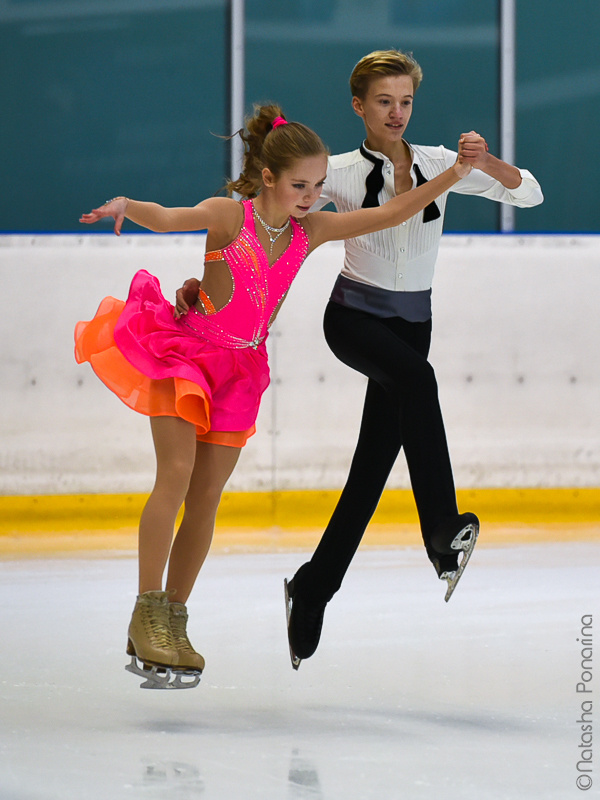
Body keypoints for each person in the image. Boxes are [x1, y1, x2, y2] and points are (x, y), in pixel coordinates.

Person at [75, 103, 472, 688]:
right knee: (177, 475)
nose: (311, 196)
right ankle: (144, 611)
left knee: (206, 497)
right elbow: (169, 216)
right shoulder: (227, 217)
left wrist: (454, 177)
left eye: (317, 186)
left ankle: (173, 619)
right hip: (187, 355)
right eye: (299, 185)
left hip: (241, 370)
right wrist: (127, 207)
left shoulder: (310, 232)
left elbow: (390, 212)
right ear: (268, 178)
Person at [273, 50, 544, 668]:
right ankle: (442, 533)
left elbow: (529, 193)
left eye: (406, 101)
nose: (397, 113)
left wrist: (487, 161)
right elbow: (287, 219)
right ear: (358, 107)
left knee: (370, 472)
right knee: (419, 381)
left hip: (412, 325)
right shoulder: (337, 172)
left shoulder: (443, 164)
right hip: (354, 319)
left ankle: (312, 589)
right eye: (384, 101)